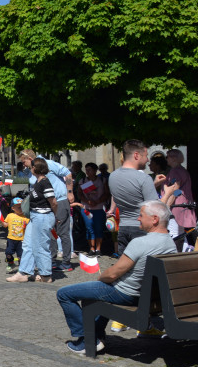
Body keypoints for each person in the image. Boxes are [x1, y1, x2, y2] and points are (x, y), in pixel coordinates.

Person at [57, 200, 176, 354]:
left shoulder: (141, 242)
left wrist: (101, 278)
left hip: (125, 293)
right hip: (147, 296)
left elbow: (114, 273)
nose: (138, 219)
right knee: (91, 295)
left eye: (141, 215)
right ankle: (98, 335)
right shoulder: (170, 243)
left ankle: (89, 339)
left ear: (154, 219)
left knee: (64, 294)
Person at [107, 140, 179, 255]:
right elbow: (157, 209)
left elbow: (132, 193)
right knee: (143, 269)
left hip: (123, 228)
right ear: (136, 155)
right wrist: (168, 193)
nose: (148, 159)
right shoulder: (144, 178)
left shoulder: (112, 176)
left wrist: (153, 184)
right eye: (145, 155)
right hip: (141, 229)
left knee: (126, 267)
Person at [19, 149, 75, 272]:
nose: (24, 165)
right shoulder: (31, 171)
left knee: (62, 232)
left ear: (29, 158)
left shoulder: (48, 164)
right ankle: (52, 260)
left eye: (24, 162)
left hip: (58, 200)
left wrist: (70, 192)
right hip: (45, 205)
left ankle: (66, 262)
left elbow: (68, 174)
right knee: (51, 233)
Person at [7, 158, 57, 283]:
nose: (30, 168)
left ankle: (45, 274)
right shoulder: (37, 182)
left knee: (40, 245)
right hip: (35, 216)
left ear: (36, 168)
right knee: (27, 244)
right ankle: (23, 272)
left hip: (43, 216)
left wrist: (57, 216)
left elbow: (53, 202)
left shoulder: (45, 182)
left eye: (32, 166)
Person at [72, 162, 109, 256]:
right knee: (89, 228)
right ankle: (91, 248)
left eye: (89, 170)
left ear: (95, 170)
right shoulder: (83, 180)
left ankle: (98, 248)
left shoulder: (102, 180)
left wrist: (98, 201)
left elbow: (107, 193)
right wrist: (87, 201)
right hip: (87, 208)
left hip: (99, 207)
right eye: (86, 170)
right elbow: (79, 193)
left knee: (98, 228)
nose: (87, 172)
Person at [165, 149, 195, 249]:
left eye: (167, 156)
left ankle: (175, 257)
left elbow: (175, 189)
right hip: (185, 206)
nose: (166, 159)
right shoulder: (183, 170)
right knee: (182, 233)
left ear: (173, 158)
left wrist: (167, 206)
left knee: (174, 234)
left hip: (176, 207)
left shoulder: (175, 171)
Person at [1, 198, 29, 273]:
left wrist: (27, 225)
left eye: (22, 207)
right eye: (19, 207)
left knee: (21, 256)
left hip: (21, 240)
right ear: (13, 208)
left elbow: (29, 226)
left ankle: (21, 268)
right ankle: (11, 262)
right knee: (8, 253)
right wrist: (1, 221)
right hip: (11, 239)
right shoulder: (10, 216)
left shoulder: (25, 217)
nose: (21, 209)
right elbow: (5, 225)